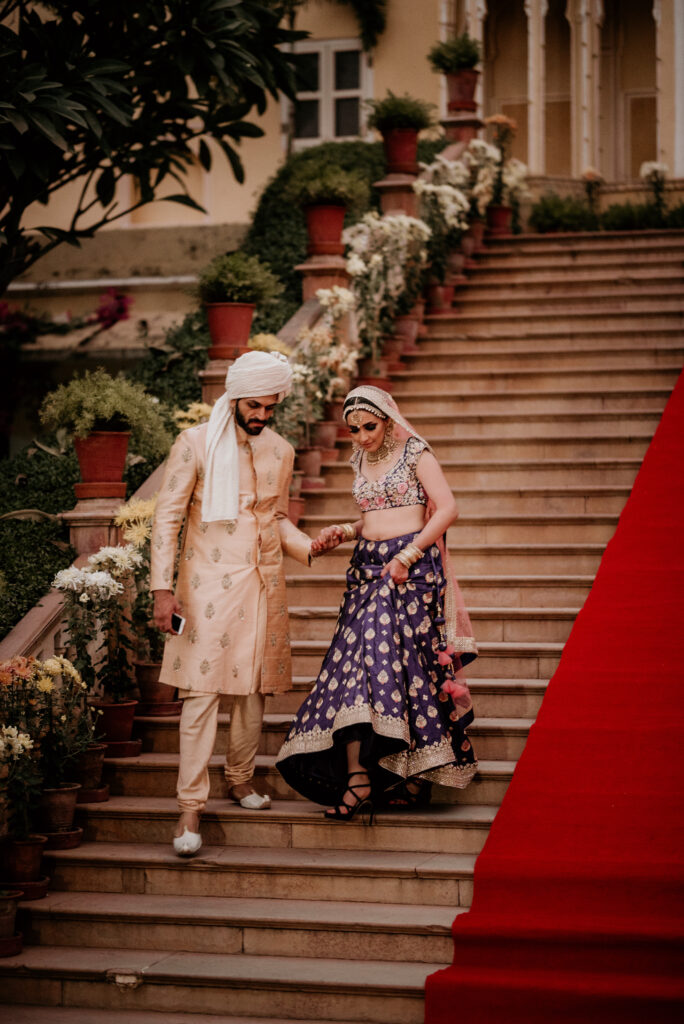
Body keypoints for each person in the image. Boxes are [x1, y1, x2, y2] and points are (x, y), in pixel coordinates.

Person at [150, 350, 336, 856]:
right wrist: (161, 589)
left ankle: (239, 777)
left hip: (261, 584)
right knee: (201, 695)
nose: (262, 415)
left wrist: (309, 546)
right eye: (255, 405)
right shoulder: (195, 444)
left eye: (270, 407)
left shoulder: (280, 449)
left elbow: (274, 517)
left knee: (254, 690)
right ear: (233, 397)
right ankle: (190, 809)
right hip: (205, 586)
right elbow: (166, 518)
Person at [276, 385, 478, 821]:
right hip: (367, 569)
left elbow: (446, 508)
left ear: (387, 418)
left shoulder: (415, 453)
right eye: (354, 429)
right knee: (355, 664)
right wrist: (345, 532)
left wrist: (408, 555)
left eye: (369, 426)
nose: (363, 436)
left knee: (404, 665)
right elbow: (374, 515)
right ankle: (362, 776)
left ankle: (400, 774)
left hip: (410, 570)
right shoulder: (359, 458)